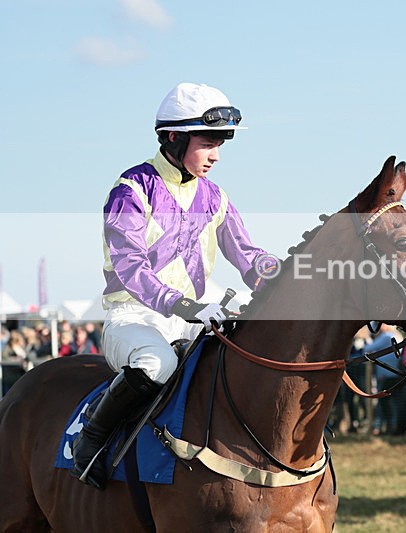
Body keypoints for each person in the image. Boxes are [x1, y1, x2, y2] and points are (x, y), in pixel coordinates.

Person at [70, 83, 279, 489]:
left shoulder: (215, 196)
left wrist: (292, 274)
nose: (216, 155)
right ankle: (91, 439)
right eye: (207, 144)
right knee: (157, 365)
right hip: (134, 317)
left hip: (193, 319)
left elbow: (248, 256)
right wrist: (184, 305)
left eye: (220, 144)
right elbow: (131, 266)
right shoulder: (131, 189)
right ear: (174, 137)